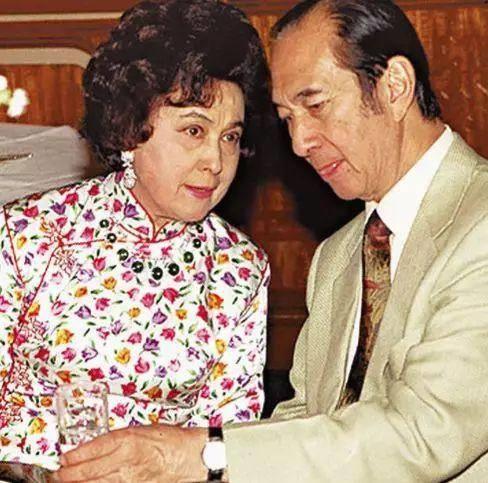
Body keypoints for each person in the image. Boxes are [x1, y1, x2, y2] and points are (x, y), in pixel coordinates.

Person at [54, 0, 488, 482]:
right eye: (287, 119)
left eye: (315, 105)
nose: (300, 143)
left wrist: (196, 456)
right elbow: (304, 423)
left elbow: (420, 432)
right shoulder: (339, 256)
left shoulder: (480, 228)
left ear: (395, 86)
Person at [0, 0, 271, 479]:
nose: (215, 161)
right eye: (194, 130)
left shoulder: (239, 270)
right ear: (130, 130)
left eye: (230, 137)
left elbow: (231, 445)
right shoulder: (27, 235)